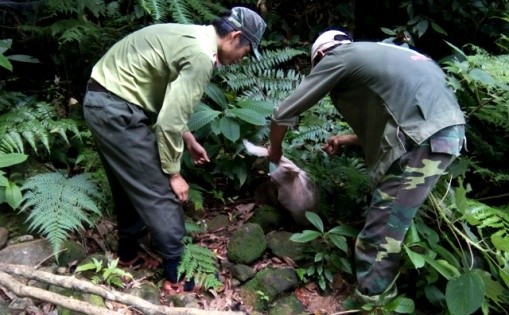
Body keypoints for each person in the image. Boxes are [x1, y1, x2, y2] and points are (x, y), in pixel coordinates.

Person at [267, 30, 465, 307]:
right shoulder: (385, 55)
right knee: (392, 220)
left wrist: (274, 149)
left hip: (421, 139)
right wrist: (345, 139)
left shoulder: (338, 57)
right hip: (444, 132)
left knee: (380, 235)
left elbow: (282, 113)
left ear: (322, 56)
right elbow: (400, 114)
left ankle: (373, 302)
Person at [82, 7, 266, 293]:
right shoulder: (201, 57)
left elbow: (169, 105)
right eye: (247, 50)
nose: (242, 59)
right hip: (118, 110)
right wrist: (173, 172)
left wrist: (189, 140)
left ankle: (128, 253)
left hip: (102, 101)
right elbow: (167, 123)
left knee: (128, 183)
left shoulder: (190, 35)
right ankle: (178, 273)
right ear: (235, 36)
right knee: (160, 191)